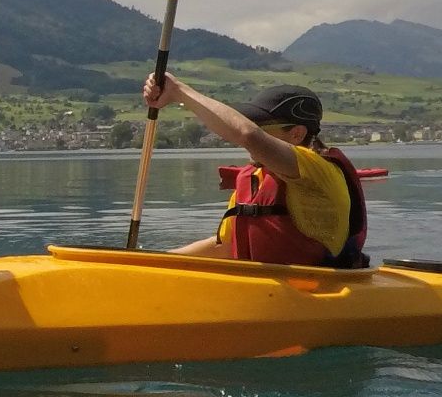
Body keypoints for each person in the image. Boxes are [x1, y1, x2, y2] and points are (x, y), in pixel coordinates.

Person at [140, 76, 368, 268]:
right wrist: (151, 262)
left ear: (297, 134)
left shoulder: (318, 170)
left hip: (314, 296)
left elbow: (247, 135)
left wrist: (178, 91)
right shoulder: (255, 178)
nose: (247, 144)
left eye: (261, 127)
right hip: (262, 293)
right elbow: (226, 246)